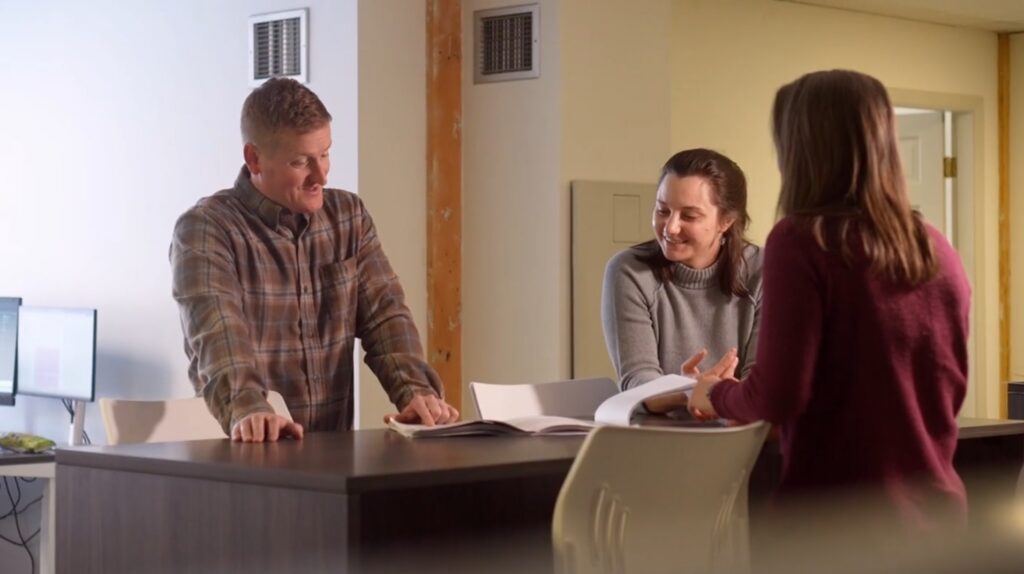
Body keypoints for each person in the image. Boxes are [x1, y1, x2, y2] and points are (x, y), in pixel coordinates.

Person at [689, 70, 971, 524]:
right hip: (937, 517)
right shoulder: (937, 247)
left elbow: (779, 395)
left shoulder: (802, 241)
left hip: (839, 526)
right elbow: (947, 389)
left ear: (801, 149)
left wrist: (716, 394)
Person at [171, 77, 459, 443]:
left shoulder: (348, 216)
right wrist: (249, 408)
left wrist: (417, 392)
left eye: (324, 154)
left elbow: (386, 317)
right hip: (245, 456)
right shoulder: (206, 229)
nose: (321, 175)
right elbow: (218, 334)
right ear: (254, 158)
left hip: (333, 455)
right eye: (301, 161)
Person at [601, 148, 762, 413]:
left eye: (689, 216)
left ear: (726, 221)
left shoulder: (764, 270)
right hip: (660, 442)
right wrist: (688, 392)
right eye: (663, 210)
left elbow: (762, 383)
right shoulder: (628, 271)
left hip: (745, 438)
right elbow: (636, 382)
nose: (671, 227)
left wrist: (715, 394)